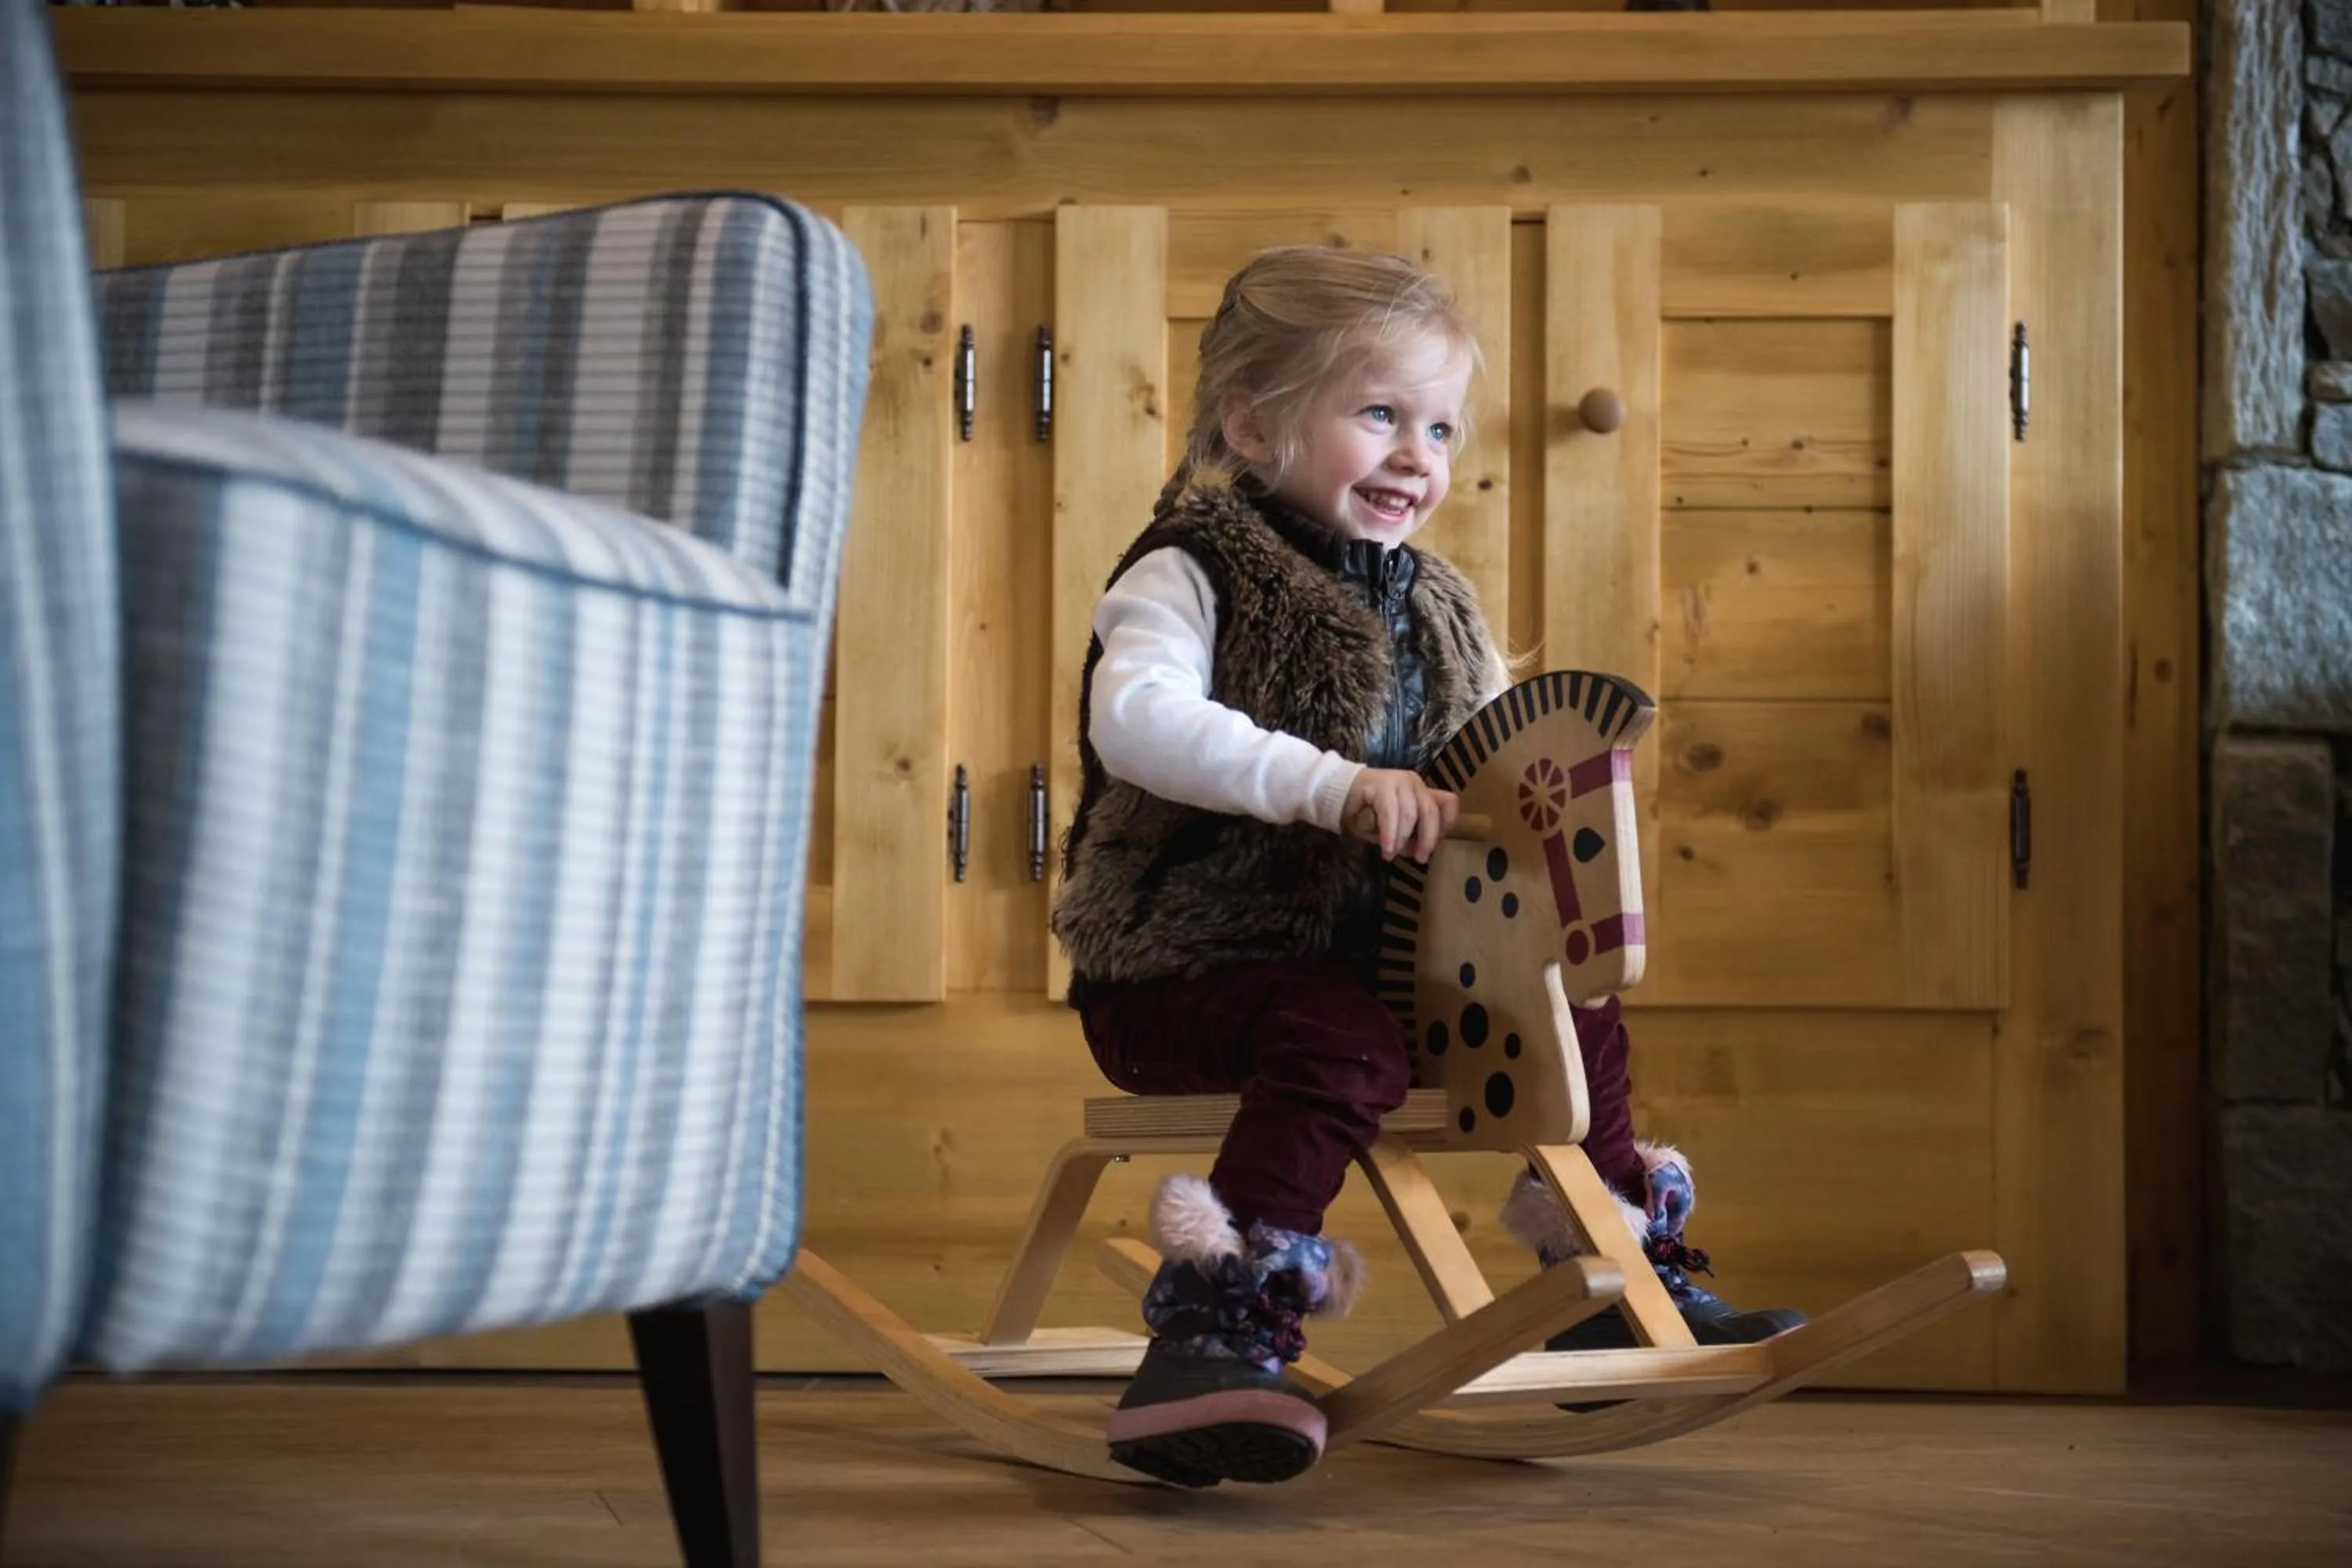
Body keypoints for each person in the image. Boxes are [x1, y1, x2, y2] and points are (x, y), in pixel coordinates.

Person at [1051, 245, 1796, 1490]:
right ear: (1255, 422)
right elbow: (1141, 724)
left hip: (1382, 974)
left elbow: (1491, 771)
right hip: (1181, 976)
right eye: (1381, 414)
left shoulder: (1442, 606)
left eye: (1442, 426)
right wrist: (1335, 788)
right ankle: (1210, 1337)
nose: (1420, 455)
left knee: (1572, 1011)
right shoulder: (1189, 571)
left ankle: (1611, 1280)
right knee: (1340, 1043)